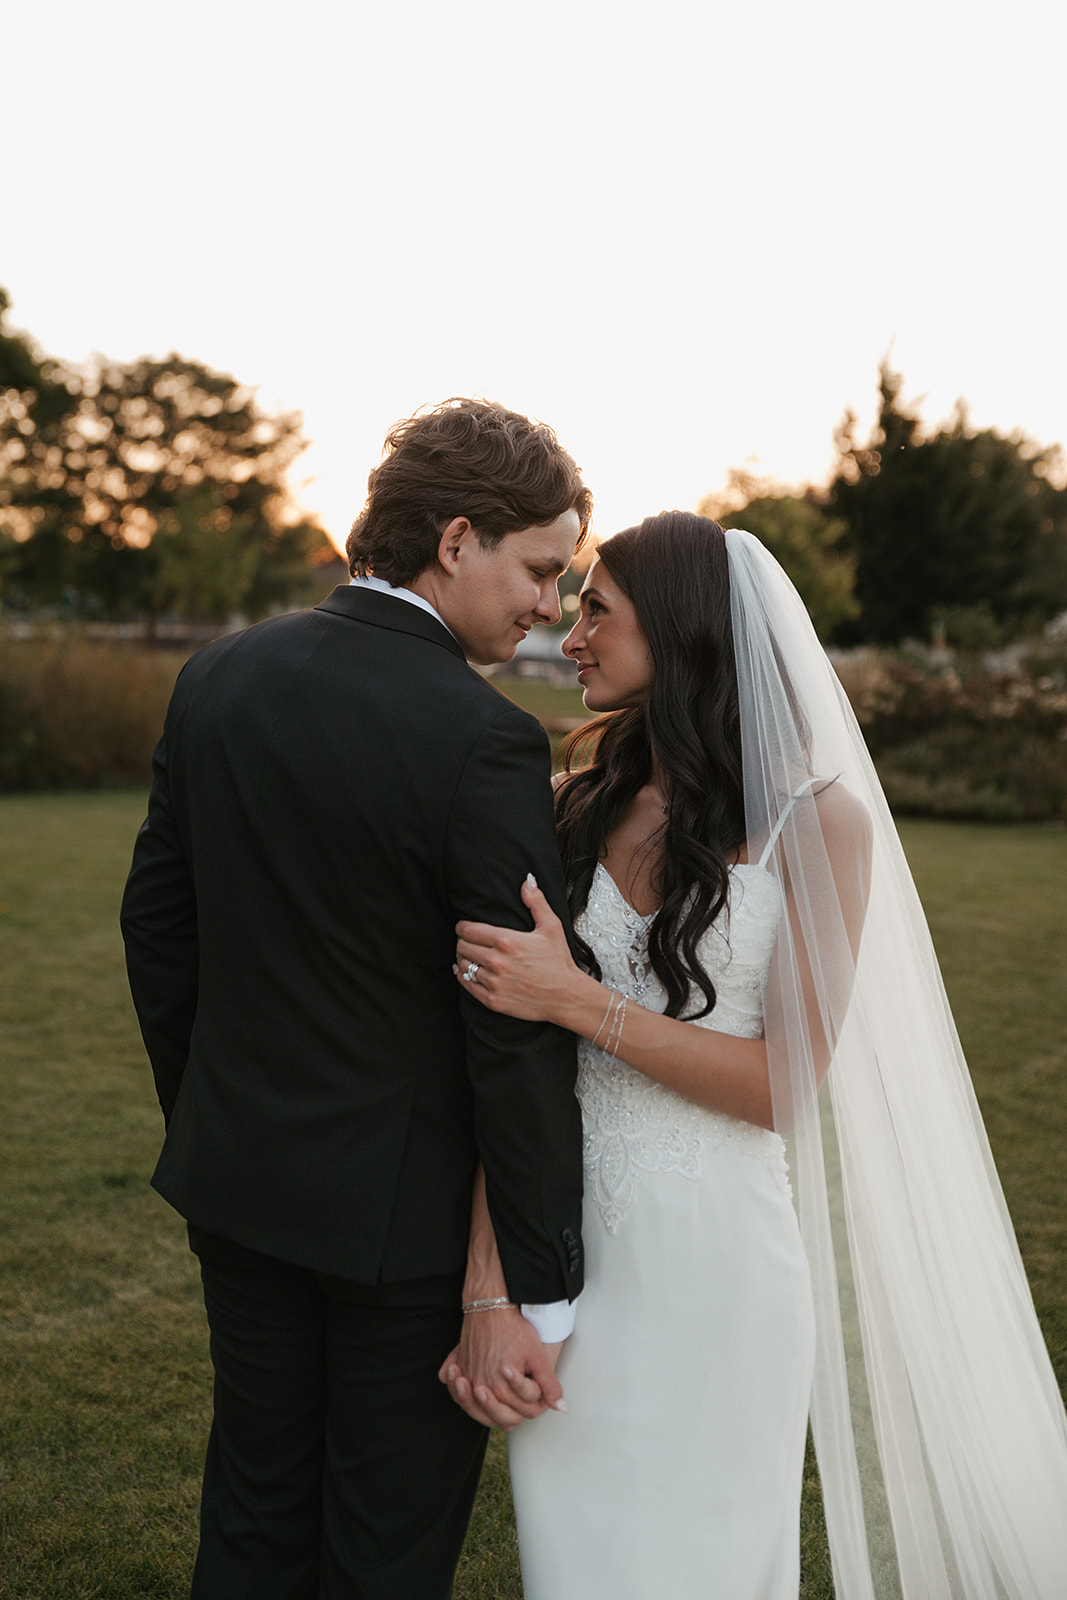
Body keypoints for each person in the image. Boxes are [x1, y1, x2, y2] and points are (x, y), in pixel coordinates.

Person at [445, 512, 1067, 1599]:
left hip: (714, 1276)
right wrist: (491, 1296)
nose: (568, 632)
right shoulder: (570, 805)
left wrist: (577, 1002)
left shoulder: (814, 824)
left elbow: (779, 1087)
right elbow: (512, 1073)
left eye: (597, 610)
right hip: (565, 1263)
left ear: (683, 633)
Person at [120, 398, 592, 1600]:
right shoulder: (484, 740)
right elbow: (511, 1020)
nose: (550, 605)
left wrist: (211, 1109)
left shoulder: (219, 671)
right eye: (540, 569)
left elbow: (157, 929)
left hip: (239, 1180)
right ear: (454, 541)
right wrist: (529, 1278)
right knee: (381, 1549)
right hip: (404, 1231)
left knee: (253, 1507)